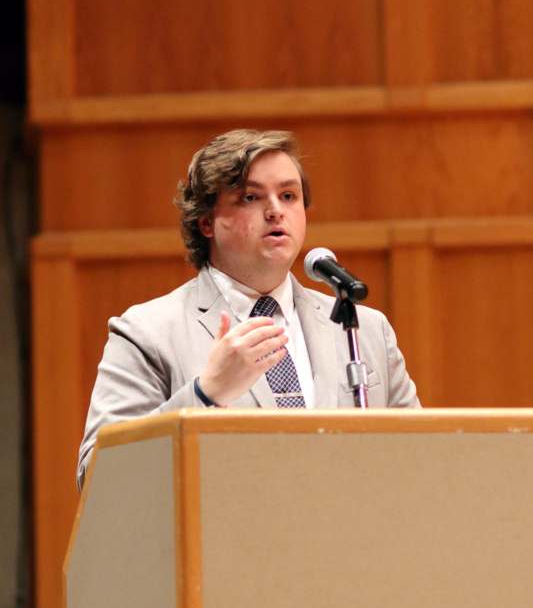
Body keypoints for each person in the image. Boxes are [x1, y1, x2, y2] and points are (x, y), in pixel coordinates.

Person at [77, 129, 419, 487]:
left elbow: (421, 460)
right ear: (206, 221)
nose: (275, 211)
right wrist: (204, 394)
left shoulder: (364, 330)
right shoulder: (147, 332)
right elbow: (99, 478)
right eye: (250, 197)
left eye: (289, 195)